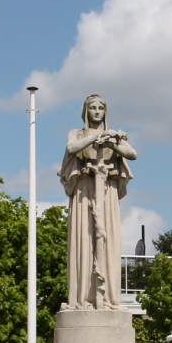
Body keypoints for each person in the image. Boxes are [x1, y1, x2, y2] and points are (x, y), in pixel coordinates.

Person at [58, 94, 137, 309]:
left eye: (100, 108)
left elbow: (132, 154)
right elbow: (72, 148)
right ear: (86, 111)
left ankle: (108, 297)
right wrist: (96, 138)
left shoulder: (113, 135)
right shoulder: (77, 133)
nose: (96, 111)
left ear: (105, 112)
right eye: (92, 107)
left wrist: (112, 141)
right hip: (85, 190)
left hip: (107, 190)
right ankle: (82, 298)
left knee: (107, 237)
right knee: (84, 238)